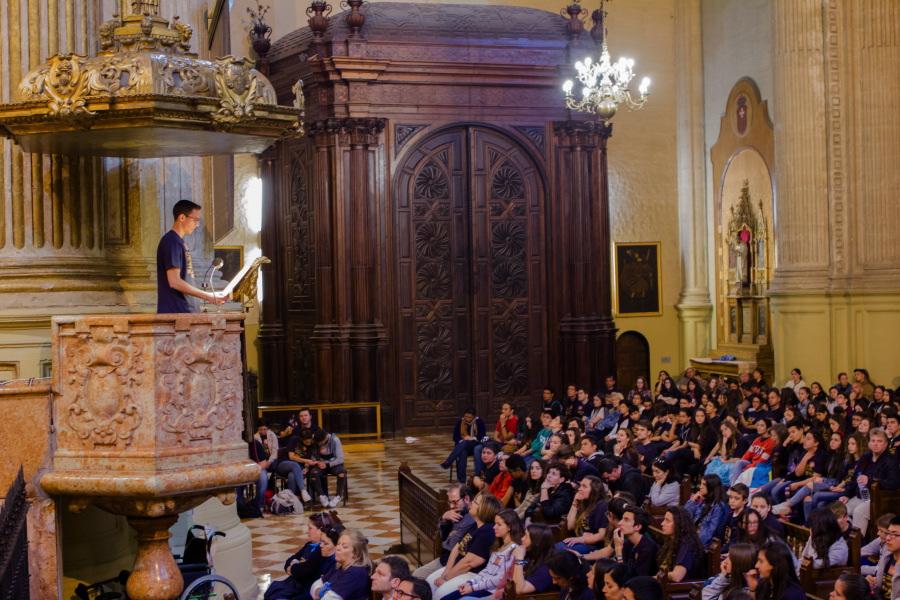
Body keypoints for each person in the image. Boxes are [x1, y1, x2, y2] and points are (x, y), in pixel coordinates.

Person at [156, 199, 225, 313]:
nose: (197, 225)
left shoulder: (179, 242)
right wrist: (208, 296)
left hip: (185, 311)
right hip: (176, 312)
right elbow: (174, 281)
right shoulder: (171, 242)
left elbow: (186, 278)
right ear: (182, 217)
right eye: (195, 220)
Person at [426, 494, 501, 598]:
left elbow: (469, 563)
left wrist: (447, 579)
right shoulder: (475, 525)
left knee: (440, 593)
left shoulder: (487, 531)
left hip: (471, 574)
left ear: (483, 509)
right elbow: (456, 548)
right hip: (455, 569)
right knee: (428, 584)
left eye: (475, 502)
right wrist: (445, 573)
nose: (471, 503)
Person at [264, 512, 344, 600]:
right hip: (295, 585)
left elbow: (306, 570)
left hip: (302, 589)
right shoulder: (310, 545)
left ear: (320, 530)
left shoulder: (322, 553)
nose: (307, 531)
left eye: (310, 528)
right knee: (273, 592)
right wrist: (295, 564)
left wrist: (295, 567)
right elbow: (291, 560)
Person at [450, 509, 522, 600]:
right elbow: (487, 570)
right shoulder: (498, 545)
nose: (494, 527)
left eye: (499, 524)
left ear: (509, 527)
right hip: (481, 586)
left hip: (492, 591)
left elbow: (499, 579)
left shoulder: (514, 549)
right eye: (495, 523)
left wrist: (473, 588)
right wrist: (470, 583)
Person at [841, 428, 900, 536]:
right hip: (860, 496)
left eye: (879, 441)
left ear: (886, 444)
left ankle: (856, 545)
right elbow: (855, 477)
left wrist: (870, 480)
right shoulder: (865, 457)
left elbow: (894, 483)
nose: (875, 444)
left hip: (877, 499)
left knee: (858, 511)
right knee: (840, 510)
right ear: (869, 443)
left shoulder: (891, 460)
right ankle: (843, 540)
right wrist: (846, 495)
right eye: (873, 441)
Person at [414, 483, 475, 579]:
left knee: (419, 576)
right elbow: (443, 537)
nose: (451, 506)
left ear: (466, 499)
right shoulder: (456, 512)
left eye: (454, 502)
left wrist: (449, 537)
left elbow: (449, 545)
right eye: (449, 502)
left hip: (456, 563)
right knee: (417, 574)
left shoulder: (471, 518)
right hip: (444, 558)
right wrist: (444, 518)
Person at [311, 529, 372, 600]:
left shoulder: (355, 573)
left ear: (356, 553)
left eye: (344, 547)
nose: (337, 548)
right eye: (338, 544)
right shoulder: (339, 567)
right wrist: (321, 593)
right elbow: (314, 587)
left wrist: (321, 592)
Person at [559, 476, 608, 555]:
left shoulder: (602, 505)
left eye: (584, 486)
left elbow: (601, 535)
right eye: (580, 485)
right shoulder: (583, 503)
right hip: (581, 541)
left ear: (594, 490)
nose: (579, 489)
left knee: (559, 551)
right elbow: (570, 526)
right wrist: (574, 503)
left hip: (594, 546)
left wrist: (581, 539)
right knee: (554, 549)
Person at [657, 506, 706, 582]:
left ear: (679, 524)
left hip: (682, 589)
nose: (662, 523)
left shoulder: (688, 545)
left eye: (667, 521)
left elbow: (677, 576)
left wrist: (657, 577)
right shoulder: (671, 540)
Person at [510, 523, 558, 595]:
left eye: (526, 536)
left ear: (536, 542)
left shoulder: (546, 569)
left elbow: (519, 590)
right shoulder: (531, 556)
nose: (522, 538)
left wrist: (519, 558)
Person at [441, 408, 487, 483]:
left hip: (476, 444)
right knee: (462, 452)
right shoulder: (460, 422)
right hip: (463, 445)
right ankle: (461, 480)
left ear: (474, 417)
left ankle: (448, 461)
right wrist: (463, 440)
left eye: (469, 417)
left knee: (466, 443)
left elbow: (482, 436)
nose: (467, 419)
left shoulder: (479, 422)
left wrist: (471, 438)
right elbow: (455, 437)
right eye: (466, 416)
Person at [684, 474, 729, 546]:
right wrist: (692, 501)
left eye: (704, 485)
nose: (700, 487)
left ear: (711, 487)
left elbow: (709, 532)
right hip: (693, 538)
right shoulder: (702, 500)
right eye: (700, 484)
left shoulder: (718, 507)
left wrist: (694, 544)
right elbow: (684, 517)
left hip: (705, 544)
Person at [311, 429, 347, 508]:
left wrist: (327, 465)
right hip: (320, 464)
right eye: (318, 443)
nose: (319, 444)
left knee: (342, 472)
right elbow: (312, 456)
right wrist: (317, 462)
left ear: (325, 438)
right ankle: (321, 495)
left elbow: (340, 458)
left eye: (321, 443)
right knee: (314, 473)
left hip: (333, 465)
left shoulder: (335, 440)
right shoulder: (315, 440)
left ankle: (338, 496)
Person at [867, 514, 900, 600]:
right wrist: (872, 583)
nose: (888, 538)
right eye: (888, 533)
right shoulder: (887, 557)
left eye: (895, 534)